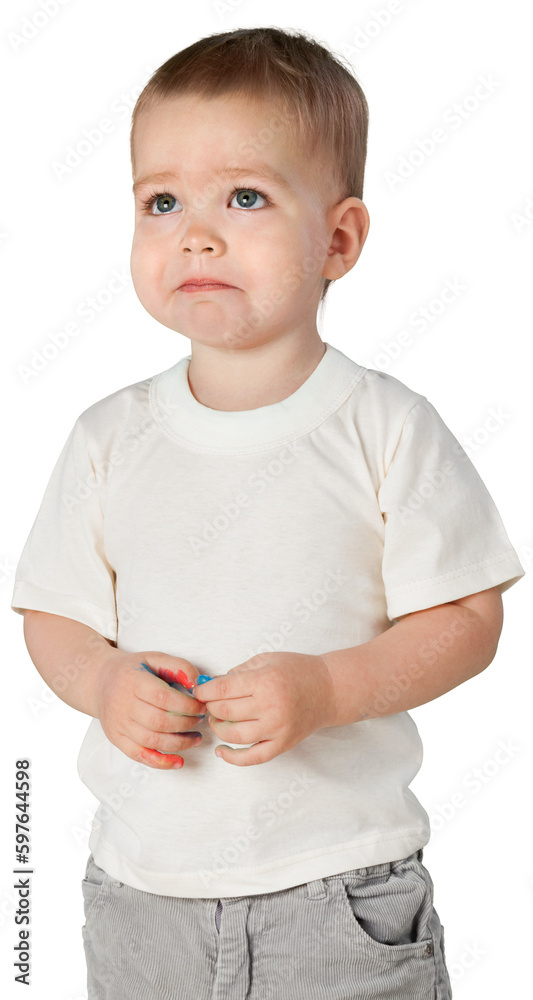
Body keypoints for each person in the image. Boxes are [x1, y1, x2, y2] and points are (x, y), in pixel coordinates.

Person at [11, 25, 524, 1000]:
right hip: (139, 894)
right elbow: (53, 612)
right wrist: (103, 679)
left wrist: (330, 688)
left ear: (337, 240)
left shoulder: (385, 426)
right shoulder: (105, 438)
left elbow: (464, 618)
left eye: (243, 197)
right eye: (161, 201)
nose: (194, 231)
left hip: (334, 890)